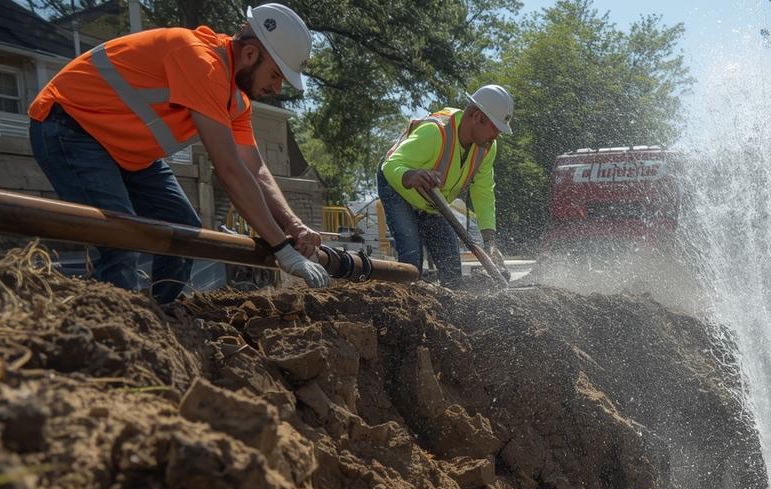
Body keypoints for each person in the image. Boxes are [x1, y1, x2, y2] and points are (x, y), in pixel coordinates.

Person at [28, 3, 330, 302]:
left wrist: (293, 226)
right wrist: (281, 249)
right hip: (71, 126)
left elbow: (255, 169)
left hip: (125, 151)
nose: (277, 88)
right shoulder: (199, 59)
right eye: (276, 75)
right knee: (117, 240)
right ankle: (117, 338)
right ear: (251, 54)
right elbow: (229, 169)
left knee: (184, 232)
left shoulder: (236, 100)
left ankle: (161, 316)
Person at [378, 85, 513, 287]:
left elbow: (483, 191)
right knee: (411, 255)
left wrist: (490, 243)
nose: (497, 135)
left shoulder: (487, 147)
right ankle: (404, 307)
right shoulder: (435, 132)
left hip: (433, 199)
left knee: (451, 266)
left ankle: (449, 313)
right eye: (495, 127)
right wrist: (409, 176)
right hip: (397, 186)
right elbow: (391, 165)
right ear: (476, 116)